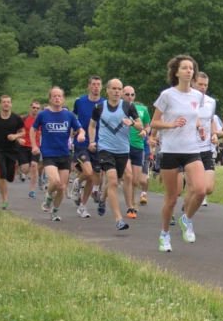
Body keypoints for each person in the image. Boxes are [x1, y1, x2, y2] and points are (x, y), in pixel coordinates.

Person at [151, 55, 207, 252]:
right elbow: (154, 123)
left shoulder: (197, 96)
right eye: (184, 68)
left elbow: (195, 117)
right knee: (172, 198)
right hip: (170, 151)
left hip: (191, 149)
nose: (189, 71)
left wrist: (200, 128)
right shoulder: (167, 95)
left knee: (201, 190)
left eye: (191, 68)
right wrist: (171, 124)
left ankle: (187, 219)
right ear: (176, 72)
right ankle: (164, 235)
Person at [88, 79, 142, 230]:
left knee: (115, 181)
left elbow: (140, 126)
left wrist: (131, 123)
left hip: (123, 150)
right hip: (105, 148)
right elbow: (91, 125)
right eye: (114, 89)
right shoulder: (99, 107)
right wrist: (92, 141)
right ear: (108, 90)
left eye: (120, 89)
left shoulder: (128, 106)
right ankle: (118, 219)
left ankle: (102, 198)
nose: (117, 91)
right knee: (111, 180)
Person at [33, 87, 85, 221]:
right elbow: (33, 130)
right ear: (50, 99)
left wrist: (81, 135)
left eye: (59, 96)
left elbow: (80, 129)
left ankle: (55, 211)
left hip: (64, 154)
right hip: (49, 153)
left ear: (63, 98)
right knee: (55, 181)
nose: (57, 98)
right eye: (54, 96)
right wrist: (34, 145)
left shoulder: (69, 115)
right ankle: (49, 196)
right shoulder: (43, 115)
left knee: (62, 187)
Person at [71, 76, 104, 210]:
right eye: (94, 84)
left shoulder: (105, 103)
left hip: (98, 143)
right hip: (82, 142)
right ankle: (77, 183)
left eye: (98, 84)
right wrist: (74, 131)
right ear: (89, 86)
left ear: (102, 87)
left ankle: (83, 206)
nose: (96, 87)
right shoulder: (80, 101)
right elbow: (73, 117)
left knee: (94, 177)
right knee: (88, 172)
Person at [187, 72, 218, 211]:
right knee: (194, 188)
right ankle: (187, 218)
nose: (203, 87)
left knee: (208, 188)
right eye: (200, 84)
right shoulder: (186, 100)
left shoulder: (211, 102)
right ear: (193, 83)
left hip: (206, 148)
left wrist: (214, 134)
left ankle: (187, 209)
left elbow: (211, 120)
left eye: (205, 85)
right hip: (189, 149)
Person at [122, 85, 151, 218]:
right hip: (124, 146)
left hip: (138, 147)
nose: (130, 97)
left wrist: (145, 131)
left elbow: (147, 126)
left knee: (135, 180)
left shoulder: (142, 109)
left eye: (132, 94)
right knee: (127, 176)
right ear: (122, 95)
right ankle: (130, 205)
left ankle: (132, 202)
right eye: (127, 94)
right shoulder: (118, 108)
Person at [18, 101, 43, 198]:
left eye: (37, 108)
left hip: (35, 146)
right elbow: (15, 130)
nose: (35, 109)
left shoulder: (41, 120)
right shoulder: (23, 118)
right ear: (30, 108)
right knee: (25, 169)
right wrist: (18, 138)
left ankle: (32, 190)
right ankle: (22, 172)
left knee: (34, 165)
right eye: (34, 107)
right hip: (24, 146)